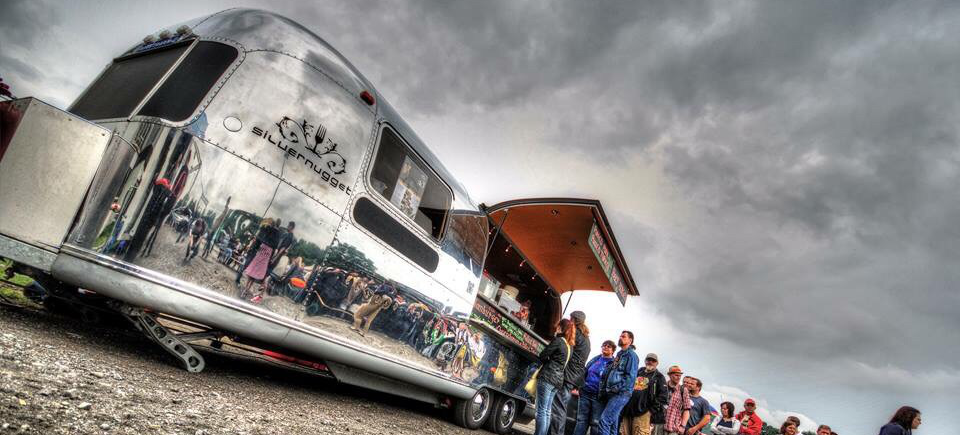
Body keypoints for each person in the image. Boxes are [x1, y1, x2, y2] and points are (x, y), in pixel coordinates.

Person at [550, 311, 591, 435]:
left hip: (567, 374)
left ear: (574, 320)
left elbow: (563, 347)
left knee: (558, 407)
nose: (569, 320)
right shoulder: (586, 338)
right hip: (575, 377)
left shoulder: (575, 332)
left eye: (570, 318)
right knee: (560, 406)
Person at [533, 319, 575, 435]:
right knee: (547, 411)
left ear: (561, 328)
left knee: (541, 410)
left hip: (547, 377)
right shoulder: (570, 347)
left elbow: (543, 355)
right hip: (558, 381)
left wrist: (548, 360)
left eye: (558, 326)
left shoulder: (558, 341)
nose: (556, 328)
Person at [597, 331, 640, 435]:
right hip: (612, 393)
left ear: (630, 340)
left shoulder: (631, 355)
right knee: (612, 425)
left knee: (604, 421)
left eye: (623, 336)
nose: (620, 337)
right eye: (620, 336)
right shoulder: (620, 354)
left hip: (621, 393)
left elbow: (630, 377)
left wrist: (616, 388)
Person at [572, 340, 616, 435]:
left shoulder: (614, 364)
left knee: (595, 423)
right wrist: (579, 386)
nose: (605, 347)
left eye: (608, 346)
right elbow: (585, 371)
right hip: (585, 393)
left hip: (599, 397)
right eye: (604, 345)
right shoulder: (596, 359)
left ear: (613, 350)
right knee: (581, 420)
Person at [621, 352, 668, 435]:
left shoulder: (659, 377)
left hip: (643, 413)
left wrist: (650, 411)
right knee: (624, 433)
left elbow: (663, 397)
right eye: (648, 360)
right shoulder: (638, 372)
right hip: (628, 410)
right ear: (645, 361)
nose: (650, 362)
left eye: (653, 361)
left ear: (657, 363)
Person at [663, 366, 691, 435]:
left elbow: (687, 410)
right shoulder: (662, 387)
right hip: (659, 425)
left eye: (680, 376)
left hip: (673, 427)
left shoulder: (683, 390)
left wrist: (683, 426)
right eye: (676, 375)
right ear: (669, 375)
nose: (679, 377)